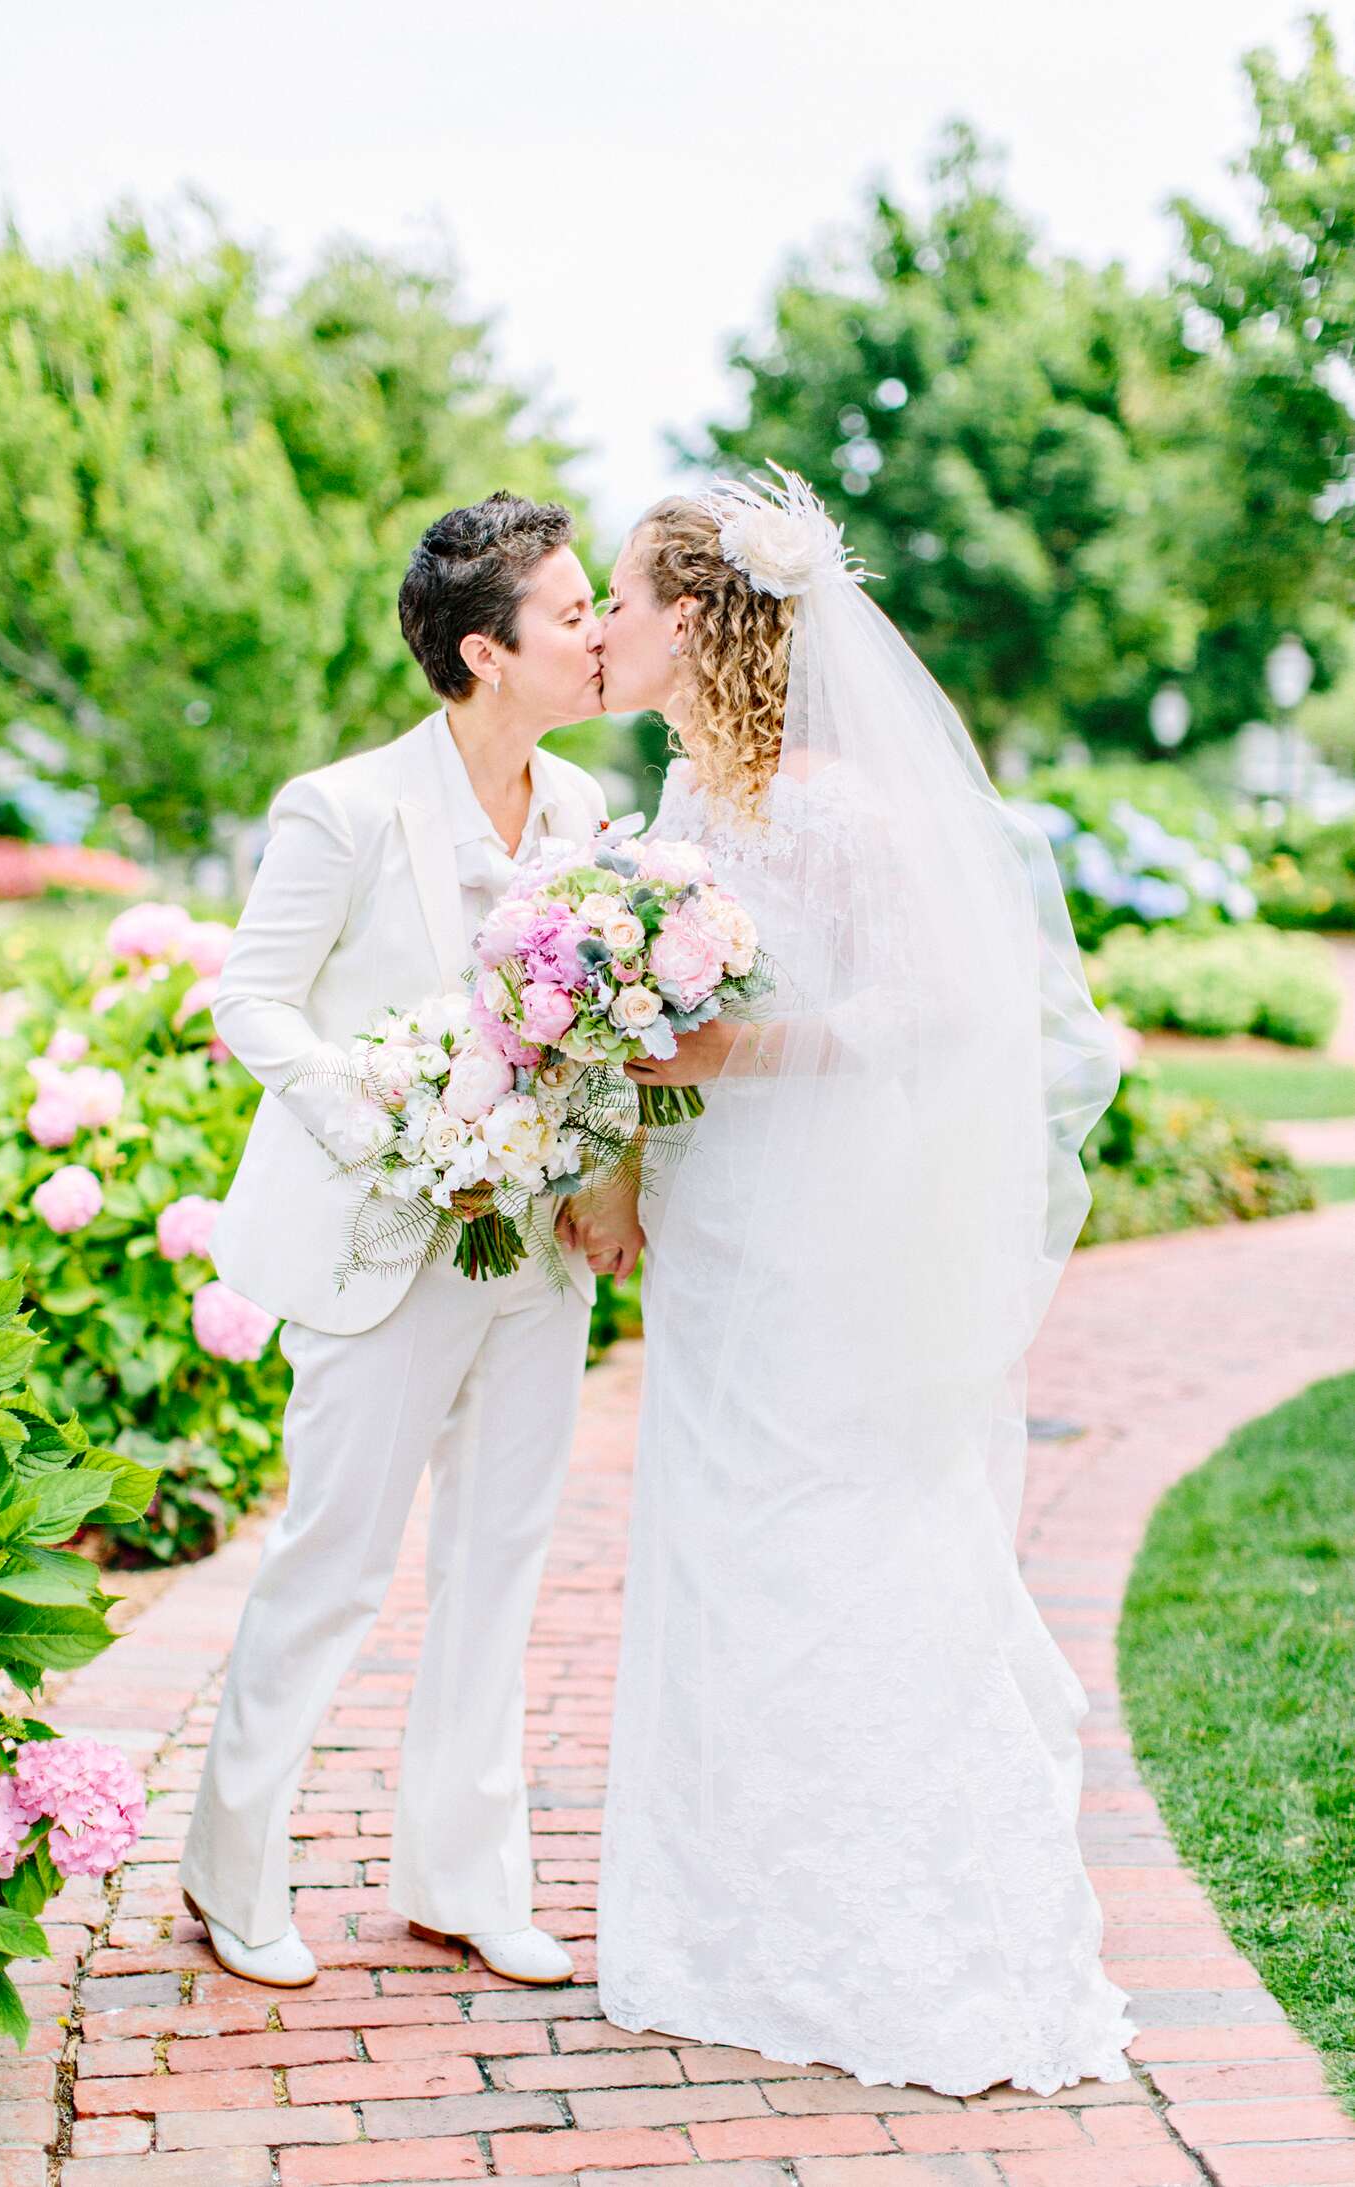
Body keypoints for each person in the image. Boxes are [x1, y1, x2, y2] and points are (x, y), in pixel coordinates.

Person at [581, 468, 1139, 2096]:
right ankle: (738, 1908)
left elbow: (946, 1015)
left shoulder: (832, 803)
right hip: (716, 1224)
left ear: (694, 617)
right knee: (720, 1534)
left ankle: (901, 1915)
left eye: (621, 597)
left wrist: (725, 1048)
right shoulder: (687, 811)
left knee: (831, 1527)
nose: (607, 624)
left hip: (817, 1230)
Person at [179, 491, 625, 1989]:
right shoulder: (346, 806)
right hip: (382, 1247)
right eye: (572, 613)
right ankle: (232, 1875)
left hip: (536, 1251)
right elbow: (252, 1000)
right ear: (486, 651)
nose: (599, 633)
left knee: (499, 1563)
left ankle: (463, 1878)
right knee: (335, 1567)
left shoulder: (581, 815)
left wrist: (596, 1168)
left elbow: (594, 1029)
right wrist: (383, 1118)